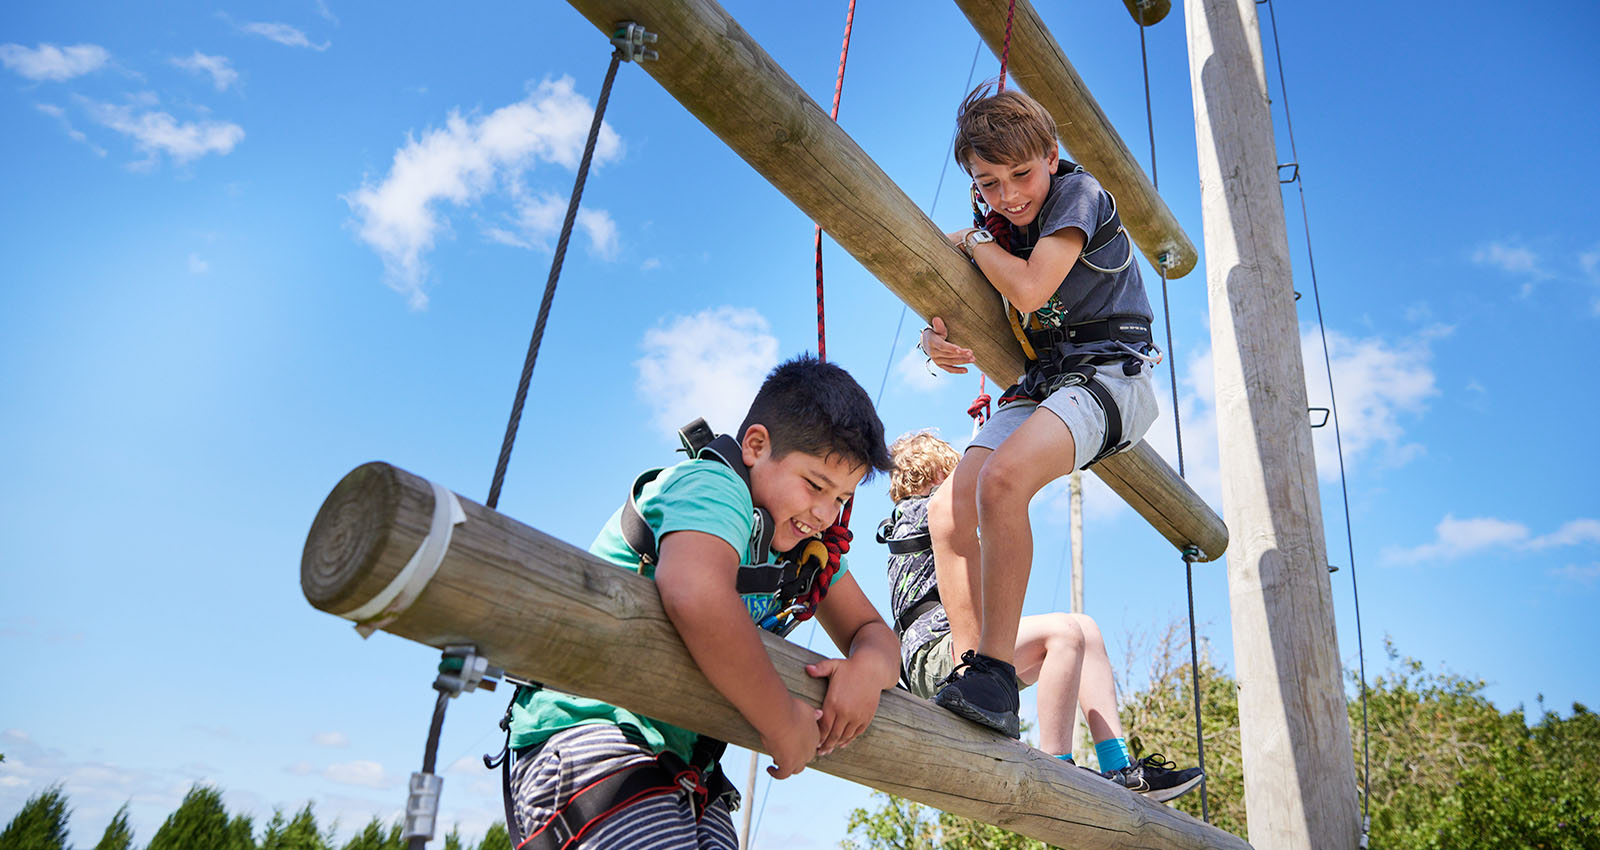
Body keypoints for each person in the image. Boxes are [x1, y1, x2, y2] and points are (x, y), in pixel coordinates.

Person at [502, 355, 899, 849]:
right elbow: (696, 594)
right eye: (814, 485)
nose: (823, 513)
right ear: (755, 446)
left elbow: (876, 634)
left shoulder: (806, 553)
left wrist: (866, 669)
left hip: (688, 768)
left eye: (841, 498)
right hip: (591, 732)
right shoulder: (710, 487)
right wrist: (780, 719)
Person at [919, 83, 1164, 740]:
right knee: (947, 508)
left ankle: (997, 670)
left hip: (1114, 371)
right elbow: (937, 265)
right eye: (988, 182)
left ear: (1051, 156)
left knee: (1003, 483)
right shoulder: (991, 227)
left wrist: (973, 240)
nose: (1008, 195)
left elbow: (1029, 286)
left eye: (1021, 174)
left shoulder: (1078, 196)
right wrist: (931, 335)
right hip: (1046, 381)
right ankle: (975, 672)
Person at [881, 431, 1203, 801]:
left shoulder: (937, 513)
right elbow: (992, 496)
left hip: (966, 649)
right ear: (937, 475)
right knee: (1063, 634)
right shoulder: (923, 511)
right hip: (938, 657)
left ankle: (1120, 765)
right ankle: (1056, 763)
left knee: (1086, 630)